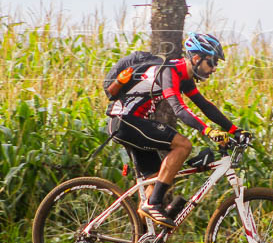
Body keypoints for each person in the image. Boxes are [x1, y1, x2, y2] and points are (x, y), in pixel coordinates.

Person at [106, 32, 248, 228]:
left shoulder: (184, 76)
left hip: (132, 123)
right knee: (183, 145)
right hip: (125, 122)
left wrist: (234, 130)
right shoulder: (169, 71)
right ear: (196, 58)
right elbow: (179, 109)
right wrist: (207, 131)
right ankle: (153, 204)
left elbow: (204, 106)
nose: (214, 68)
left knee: (156, 181)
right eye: (212, 62)